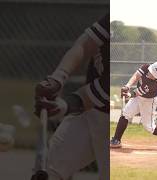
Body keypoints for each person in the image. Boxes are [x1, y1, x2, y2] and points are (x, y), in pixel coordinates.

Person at [32, 14, 108, 180]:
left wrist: (65, 106)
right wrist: (58, 77)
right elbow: (86, 44)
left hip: (119, 122)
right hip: (90, 114)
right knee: (49, 170)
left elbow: (106, 89)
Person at [110, 61, 157, 152]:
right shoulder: (146, 67)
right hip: (138, 97)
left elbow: (136, 93)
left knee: (149, 127)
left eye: (153, 74)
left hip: (149, 101)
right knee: (126, 114)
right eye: (150, 71)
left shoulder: (152, 85)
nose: (150, 73)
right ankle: (116, 140)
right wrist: (127, 86)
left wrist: (128, 95)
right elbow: (136, 76)